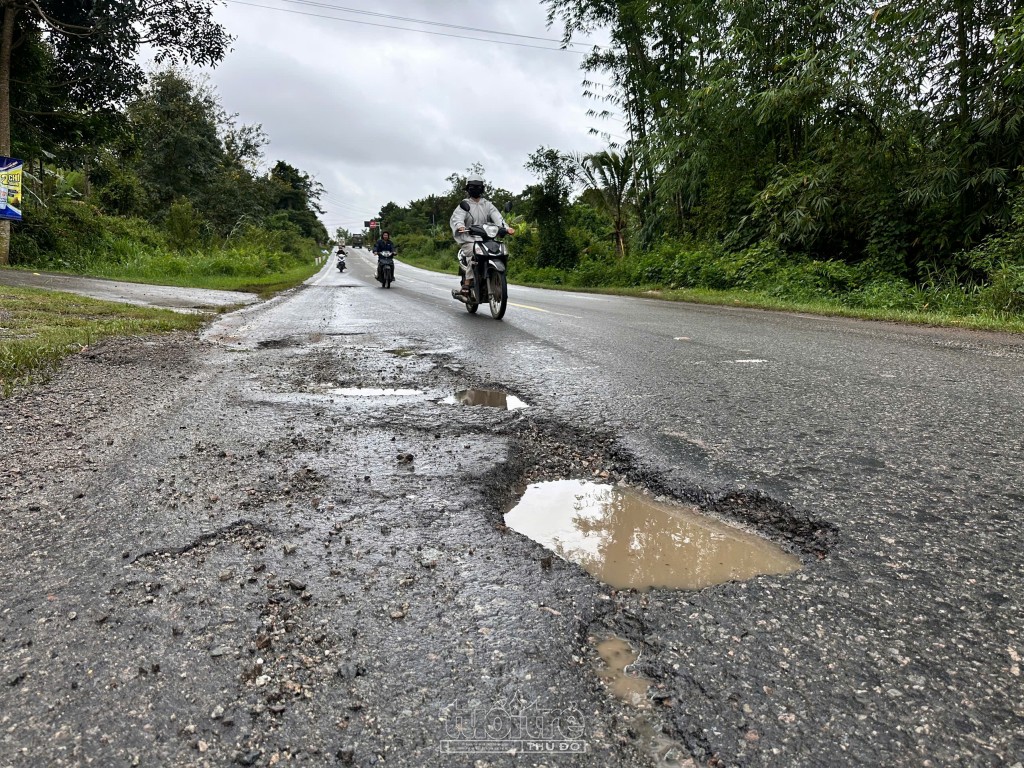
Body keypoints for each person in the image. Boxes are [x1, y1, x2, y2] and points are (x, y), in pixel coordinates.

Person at [450, 175, 514, 295]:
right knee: (474, 254)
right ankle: (467, 283)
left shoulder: (487, 204)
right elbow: (458, 218)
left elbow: (497, 217)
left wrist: (506, 228)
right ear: (468, 188)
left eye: (478, 186)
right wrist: (460, 226)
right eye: (473, 186)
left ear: (482, 188)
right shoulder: (464, 204)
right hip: (469, 238)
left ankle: (496, 276)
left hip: (486, 237)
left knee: (499, 250)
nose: (476, 189)